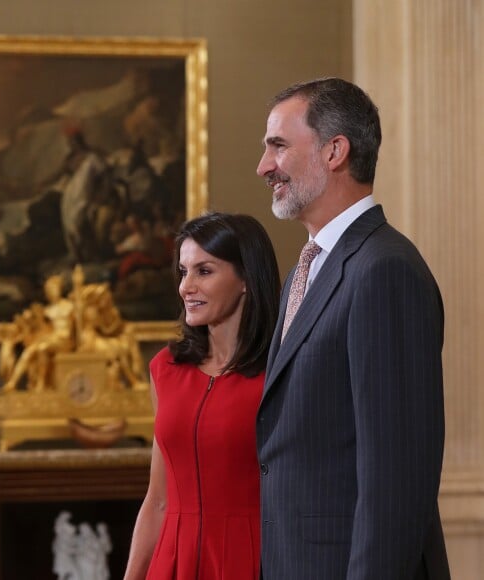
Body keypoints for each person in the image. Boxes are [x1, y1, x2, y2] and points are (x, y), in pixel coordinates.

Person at [256, 77, 450, 579]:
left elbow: (396, 480)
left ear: (334, 151)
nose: (264, 167)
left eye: (278, 146)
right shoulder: (306, 269)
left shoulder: (385, 270)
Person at [123, 212, 281, 580]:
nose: (186, 287)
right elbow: (158, 499)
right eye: (183, 271)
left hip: (252, 559)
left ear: (246, 279)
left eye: (204, 271)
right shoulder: (165, 369)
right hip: (171, 562)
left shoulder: (279, 372)